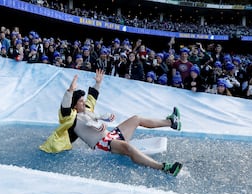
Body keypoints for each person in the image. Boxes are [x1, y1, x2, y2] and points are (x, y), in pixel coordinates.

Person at [40, 69, 183, 176]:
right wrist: (69, 91)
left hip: (111, 137)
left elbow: (92, 98)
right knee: (127, 148)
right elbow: (64, 108)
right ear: (74, 105)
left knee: (136, 118)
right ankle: (164, 168)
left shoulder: (87, 109)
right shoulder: (71, 118)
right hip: (101, 145)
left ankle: (171, 122)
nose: (84, 103)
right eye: (80, 101)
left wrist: (97, 83)